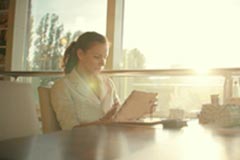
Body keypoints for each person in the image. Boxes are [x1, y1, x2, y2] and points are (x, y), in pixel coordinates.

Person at [50, 31, 120, 130]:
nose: (102, 63)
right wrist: (103, 122)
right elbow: (70, 128)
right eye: (97, 57)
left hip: (110, 140)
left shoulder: (108, 83)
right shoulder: (62, 87)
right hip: (82, 143)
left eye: (105, 57)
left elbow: (120, 114)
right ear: (80, 54)